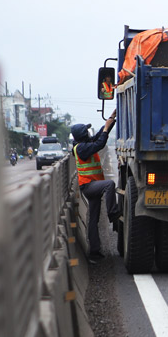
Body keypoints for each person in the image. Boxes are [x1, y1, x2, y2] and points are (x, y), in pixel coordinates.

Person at [71, 110, 119, 261]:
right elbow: (100, 143)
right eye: (86, 131)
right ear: (81, 135)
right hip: (89, 186)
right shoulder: (81, 148)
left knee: (93, 220)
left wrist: (110, 120)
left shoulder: (85, 144)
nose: (88, 132)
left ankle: (94, 252)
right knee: (110, 185)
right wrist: (106, 130)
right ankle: (113, 214)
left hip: (92, 184)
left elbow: (99, 136)